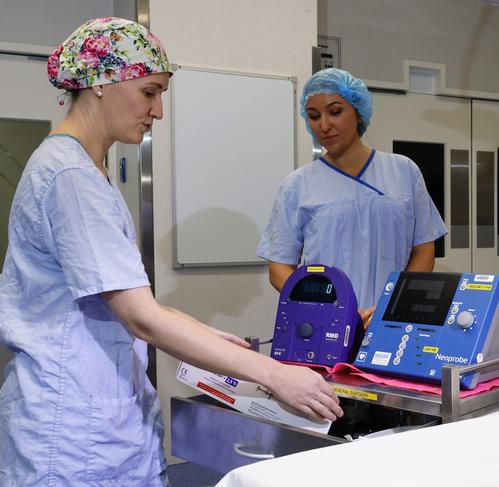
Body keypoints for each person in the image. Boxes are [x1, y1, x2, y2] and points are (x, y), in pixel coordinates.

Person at [0, 17, 342, 486]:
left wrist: (201, 332)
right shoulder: (69, 176)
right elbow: (140, 317)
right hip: (72, 426)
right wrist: (275, 375)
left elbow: (121, 300)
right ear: (102, 82)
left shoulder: (85, 169)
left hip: (96, 414)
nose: (158, 111)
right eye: (149, 92)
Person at [257, 68, 447, 324]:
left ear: (358, 112)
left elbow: (424, 249)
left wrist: (391, 304)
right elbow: (278, 267)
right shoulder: (297, 186)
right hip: (324, 322)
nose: (324, 125)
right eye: (313, 116)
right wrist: (327, 307)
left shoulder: (403, 171)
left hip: (392, 318)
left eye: (335, 112)